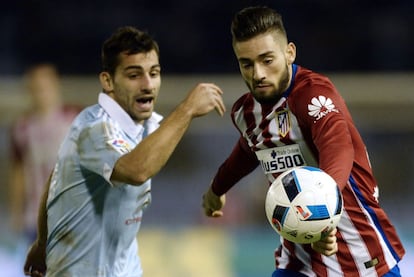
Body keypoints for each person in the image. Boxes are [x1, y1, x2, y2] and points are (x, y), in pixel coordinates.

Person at [202, 6, 405, 277]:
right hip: (298, 260)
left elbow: (338, 147)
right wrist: (217, 189)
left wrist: (322, 214)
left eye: (267, 60)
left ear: (290, 53)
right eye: (247, 64)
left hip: (361, 257)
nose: (258, 73)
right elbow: (250, 149)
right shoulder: (245, 112)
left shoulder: (313, 95)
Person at [23, 26, 225, 277]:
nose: (148, 84)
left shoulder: (145, 127)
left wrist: (43, 244)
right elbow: (137, 170)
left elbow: (55, 179)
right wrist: (187, 109)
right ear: (108, 81)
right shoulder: (95, 128)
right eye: (134, 75)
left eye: (154, 73)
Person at [9, 63, 80, 243]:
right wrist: (16, 212)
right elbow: (18, 172)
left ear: (56, 86)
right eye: (36, 88)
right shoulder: (22, 128)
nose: (41, 93)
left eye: (45, 87)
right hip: (36, 217)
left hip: (72, 214)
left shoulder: (75, 119)